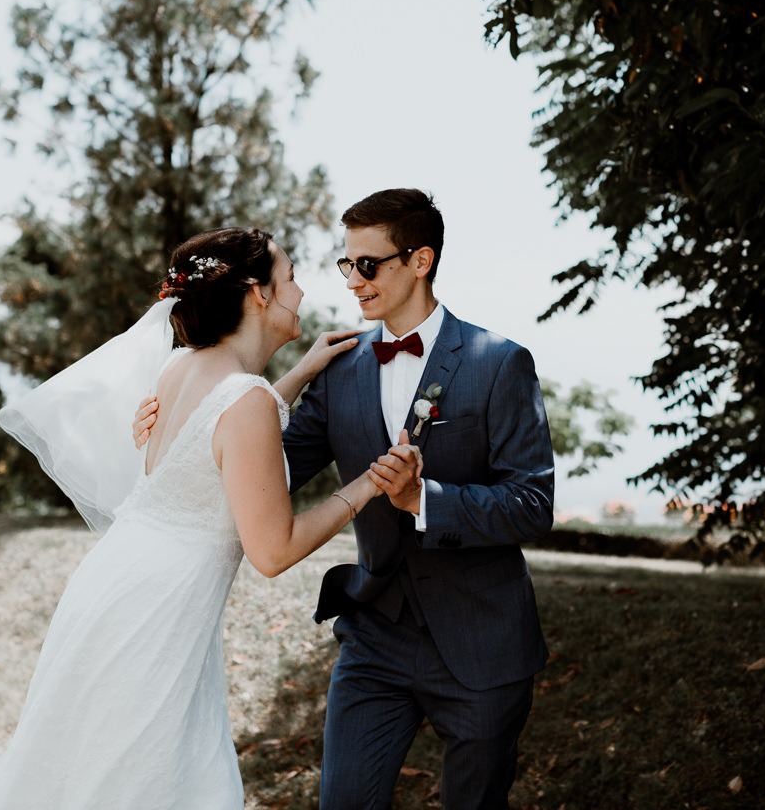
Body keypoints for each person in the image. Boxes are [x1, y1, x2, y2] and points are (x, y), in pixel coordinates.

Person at [0, 226, 423, 810]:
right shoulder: (247, 401)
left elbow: (226, 428)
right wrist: (365, 486)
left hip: (112, 587)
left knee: (87, 768)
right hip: (158, 616)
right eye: (289, 278)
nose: (302, 294)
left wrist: (303, 370)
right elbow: (272, 550)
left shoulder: (180, 369)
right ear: (257, 294)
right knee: (149, 779)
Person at [138, 188, 556, 810]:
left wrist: (425, 500)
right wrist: (176, 434)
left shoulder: (500, 363)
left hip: (484, 643)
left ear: (421, 261)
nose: (352, 280)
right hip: (373, 638)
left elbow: (532, 504)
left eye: (368, 264)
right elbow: (265, 468)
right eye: (345, 264)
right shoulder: (337, 366)